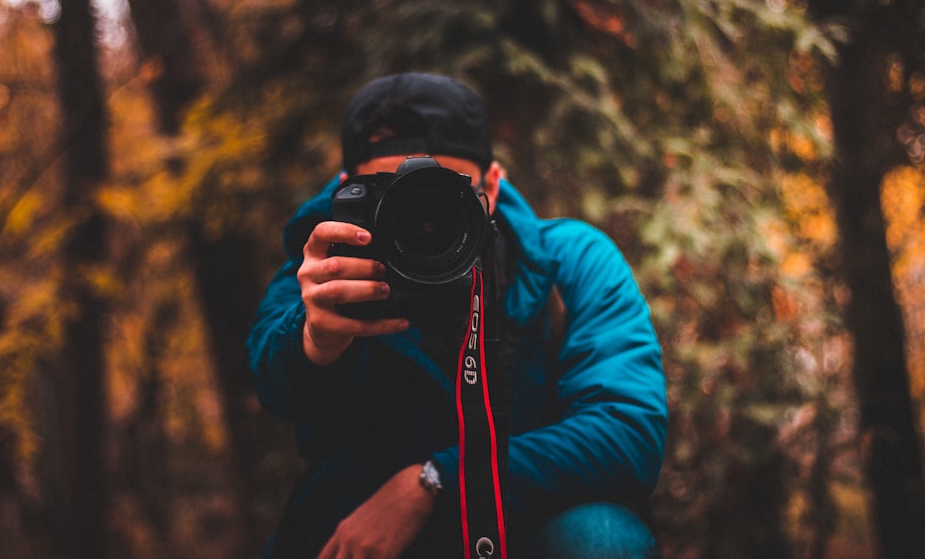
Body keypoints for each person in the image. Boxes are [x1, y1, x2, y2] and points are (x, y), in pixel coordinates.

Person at [248, 73, 668, 558]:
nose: (424, 221)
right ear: (348, 190)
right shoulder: (324, 267)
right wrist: (313, 340)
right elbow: (273, 385)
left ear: (494, 181)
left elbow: (627, 434)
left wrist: (436, 480)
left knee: (600, 538)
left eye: (446, 193)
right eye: (392, 193)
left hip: (526, 525)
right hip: (368, 531)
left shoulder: (569, 263)